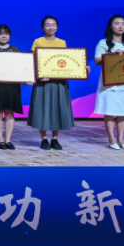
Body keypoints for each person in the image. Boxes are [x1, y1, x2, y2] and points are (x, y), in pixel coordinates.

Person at [28, 15, 87, 151]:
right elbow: (33, 61)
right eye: (47, 24)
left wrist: (81, 69)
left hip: (59, 82)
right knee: (42, 109)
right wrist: (38, 75)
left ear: (57, 27)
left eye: (53, 24)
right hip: (43, 82)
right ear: (43, 27)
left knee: (57, 108)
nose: (51, 27)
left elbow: (65, 62)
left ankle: (55, 139)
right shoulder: (38, 41)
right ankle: (43, 139)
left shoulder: (62, 42)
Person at [93, 14, 124, 150]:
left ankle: (121, 139)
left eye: (123, 23)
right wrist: (112, 55)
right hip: (109, 84)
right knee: (109, 110)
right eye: (117, 23)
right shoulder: (104, 43)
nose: (120, 26)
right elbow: (97, 61)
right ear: (110, 26)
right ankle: (111, 139)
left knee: (122, 111)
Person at [0, 24, 23, 150]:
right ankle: (0, 140)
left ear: (10, 35)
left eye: (6, 33)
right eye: (1, 34)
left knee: (10, 112)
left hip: (12, 86)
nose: (3, 36)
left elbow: (22, 67)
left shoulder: (15, 50)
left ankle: (8, 140)